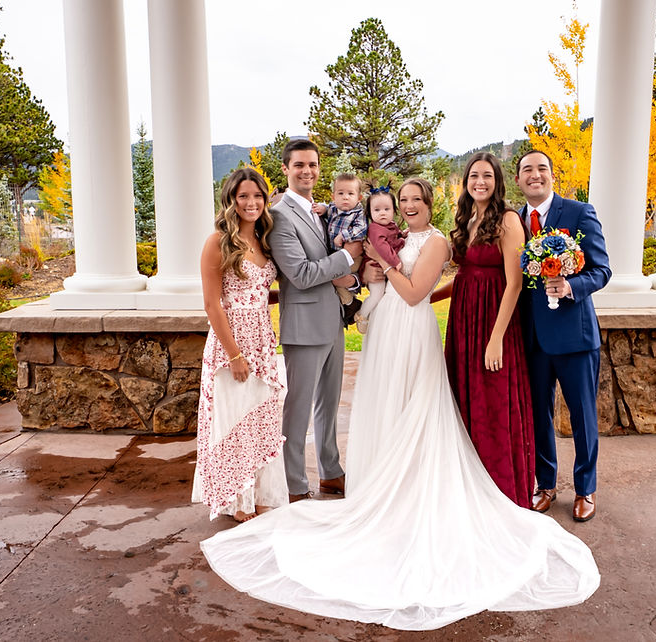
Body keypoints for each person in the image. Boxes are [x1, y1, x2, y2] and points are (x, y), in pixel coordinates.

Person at [200, 178, 600, 631]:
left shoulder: (435, 242)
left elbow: (413, 293)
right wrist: (366, 271)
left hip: (413, 333)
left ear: (429, 204)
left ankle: (411, 487)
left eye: (414, 200)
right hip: (385, 332)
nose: (407, 207)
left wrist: (380, 265)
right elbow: (376, 278)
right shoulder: (398, 237)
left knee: (417, 409)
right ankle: (374, 483)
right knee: (383, 408)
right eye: (399, 201)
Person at [514, 150, 611, 521]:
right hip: (532, 337)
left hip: (575, 336)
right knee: (538, 415)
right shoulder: (514, 219)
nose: (534, 175)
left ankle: (586, 488)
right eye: (527, 170)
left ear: (552, 175)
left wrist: (570, 286)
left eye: (541, 169)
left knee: (583, 415)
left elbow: (602, 270)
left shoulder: (578, 212)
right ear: (519, 178)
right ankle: (545, 484)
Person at [436, 151, 534, 509]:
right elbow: (464, 277)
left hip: (494, 323)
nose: (480, 182)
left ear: (498, 181)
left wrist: (495, 341)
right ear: (466, 181)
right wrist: (425, 298)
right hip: (464, 322)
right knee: (464, 401)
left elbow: (514, 285)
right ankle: (467, 487)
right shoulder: (468, 218)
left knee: (492, 403)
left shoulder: (508, 220)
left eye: (487, 176)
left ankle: (500, 492)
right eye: (474, 175)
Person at [267, 139, 362, 502]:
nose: (307, 171)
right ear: (286, 169)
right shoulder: (279, 216)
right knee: (298, 408)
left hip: (332, 320)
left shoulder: (321, 212)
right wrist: (347, 258)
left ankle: (331, 472)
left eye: (313, 164)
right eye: (299, 165)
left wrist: (349, 277)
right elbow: (302, 274)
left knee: (329, 403)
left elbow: (328, 267)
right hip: (304, 327)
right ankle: (294, 484)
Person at [191, 168, 288, 522]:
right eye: (243, 196)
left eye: (258, 196)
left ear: (265, 200)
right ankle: (236, 500)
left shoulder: (264, 240)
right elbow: (212, 304)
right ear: (231, 200)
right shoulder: (217, 242)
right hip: (231, 345)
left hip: (262, 341)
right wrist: (234, 354)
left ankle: (261, 493)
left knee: (259, 420)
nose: (251, 203)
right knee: (233, 421)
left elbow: (259, 293)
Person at [314, 173, 366, 325]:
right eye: (341, 193)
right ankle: (350, 303)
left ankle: (350, 303)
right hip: (336, 255)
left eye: (351, 194)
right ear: (333, 196)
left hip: (353, 257)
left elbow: (361, 230)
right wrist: (323, 208)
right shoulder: (333, 209)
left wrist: (344, 236)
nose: (345, 197)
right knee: (334, 279)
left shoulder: (358, 213)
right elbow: (326, 207)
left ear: (359, 198)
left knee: (333, 277)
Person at [353, 186, 404, 334]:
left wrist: (403, 235)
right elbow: (382, 248)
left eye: (386, 209)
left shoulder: (391, 225)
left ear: (394, 211)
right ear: (370, 213)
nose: (382, 213)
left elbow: (396, 236)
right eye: (377, 210)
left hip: (383, 268)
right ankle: (362, 315)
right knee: (377, 294)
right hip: (374, 266)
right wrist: (396, 262)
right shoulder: (375, 229)